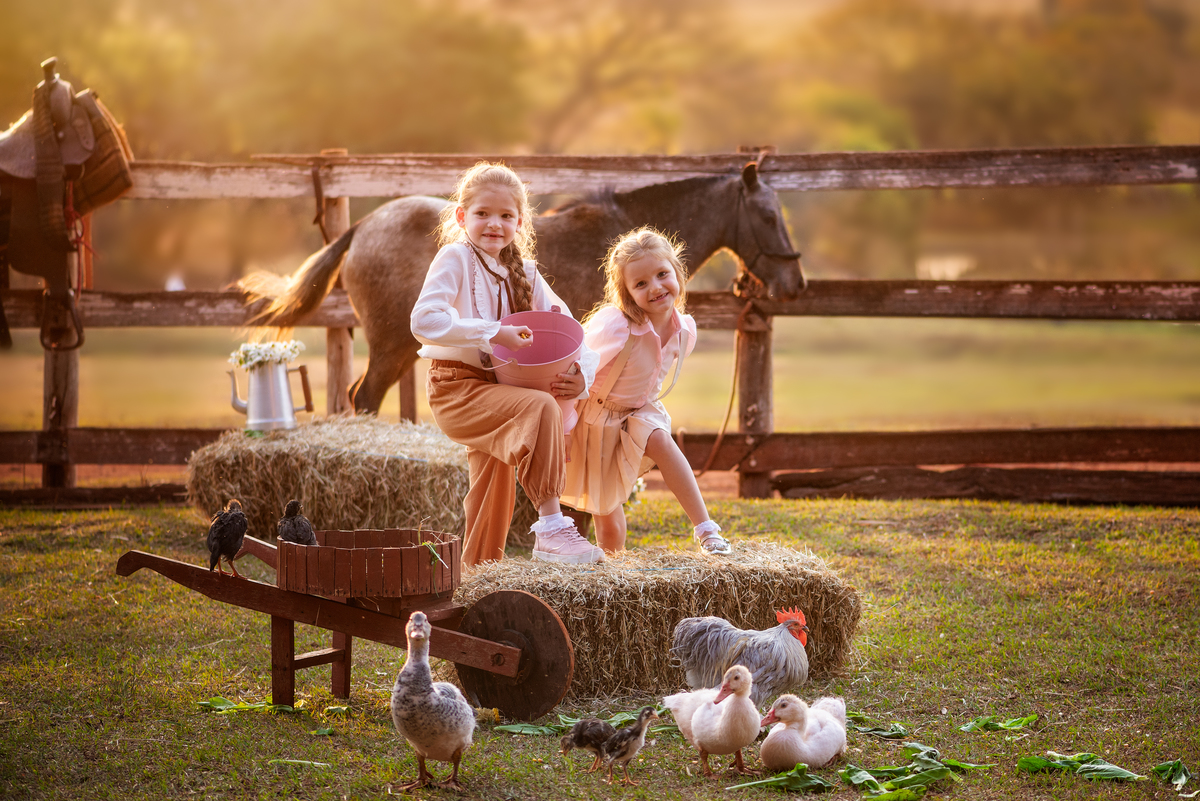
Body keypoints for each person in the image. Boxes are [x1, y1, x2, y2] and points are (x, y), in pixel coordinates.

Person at [411, 162, 604, 566]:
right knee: (539, 408)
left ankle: (477, 577)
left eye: (505, 215)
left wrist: (581, 375)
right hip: (456, 388)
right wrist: (493, 332)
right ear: (462, 217)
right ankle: (552, 527)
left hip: (499, 388)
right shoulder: (455, 258)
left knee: (491, 493)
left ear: (520, 222)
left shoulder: (527, 274)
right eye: (482, 213)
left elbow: (568, 327)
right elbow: (423, 321)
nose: (493, 224)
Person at [561, 227, 731, 556]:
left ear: (678, 272)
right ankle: (613, 569)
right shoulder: (617, 324)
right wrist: (579, 386)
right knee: (608, 518)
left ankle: (707, 530)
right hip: (598, 416)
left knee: (661, 440)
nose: (655, 287)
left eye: (662, 274)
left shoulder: (685, 330)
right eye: (640, 284)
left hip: (640, 410)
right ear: (626, 292)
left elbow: (655, 373)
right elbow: (578, 357)